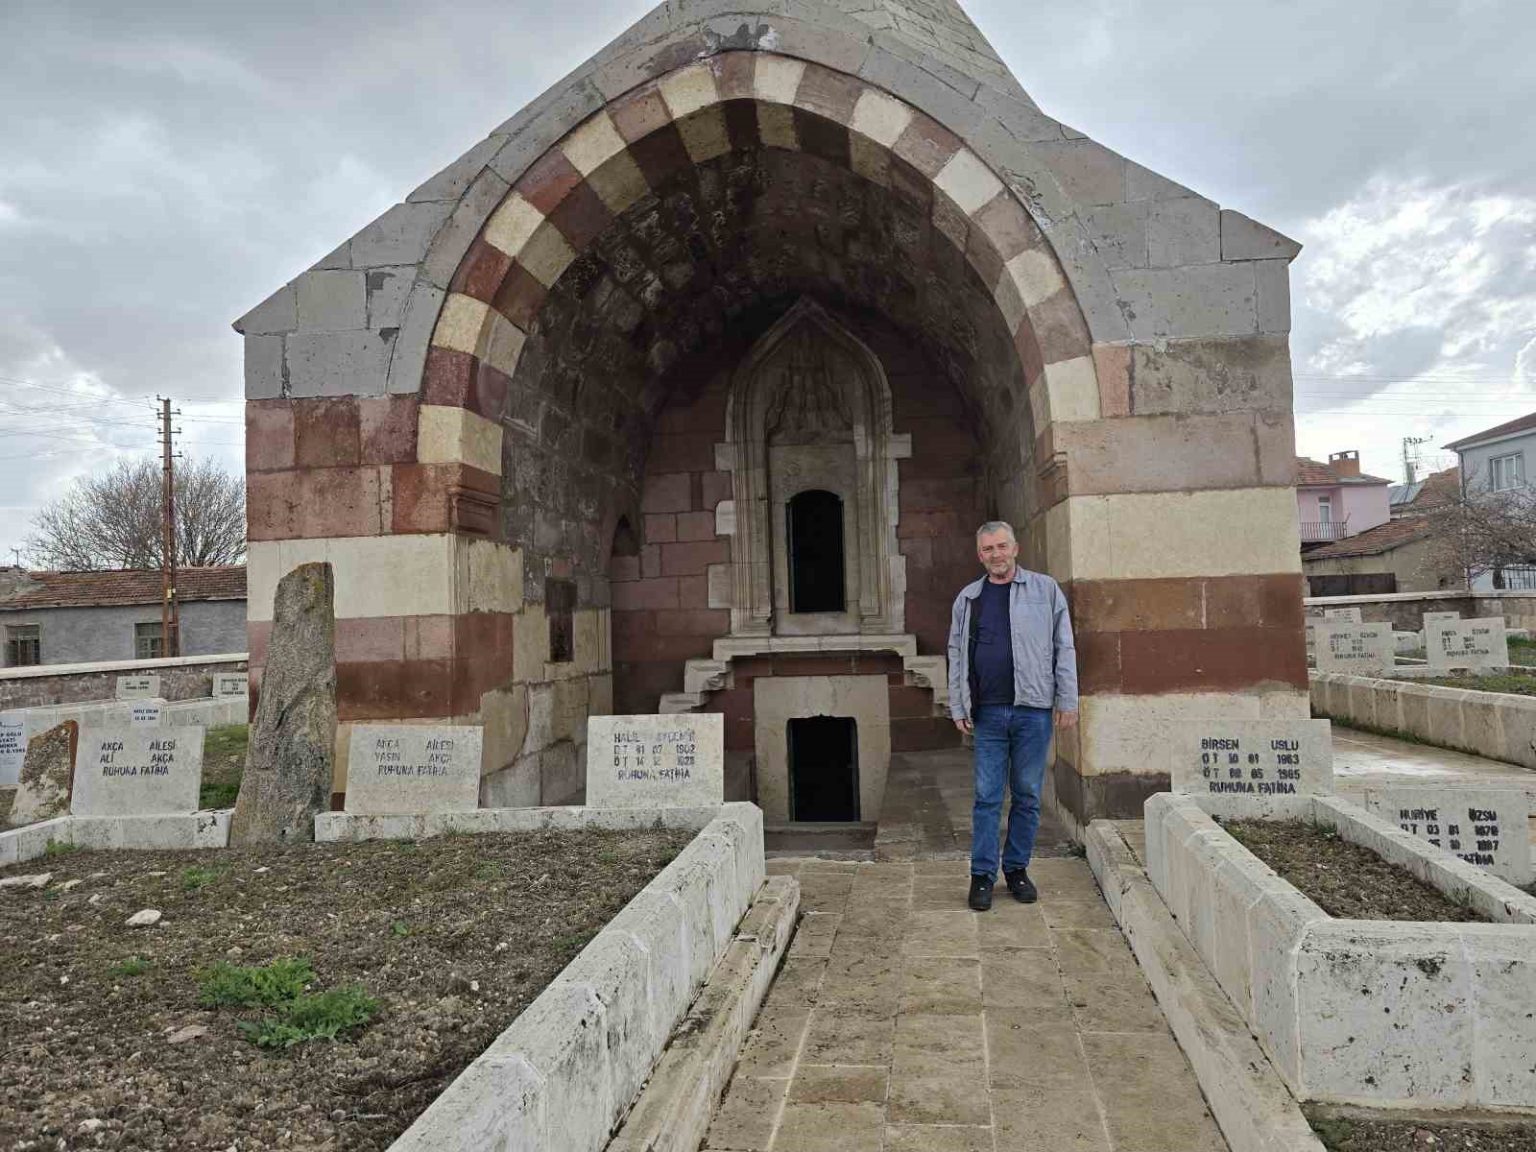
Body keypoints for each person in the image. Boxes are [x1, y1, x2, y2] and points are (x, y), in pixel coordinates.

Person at [947, 521, 1078, 912]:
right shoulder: (969, 598)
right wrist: (958, 704)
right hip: (987, 712)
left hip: (1033, 711)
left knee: (1027, 794)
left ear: (1015, 548)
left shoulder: (1045, 590)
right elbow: (956, 653)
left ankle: (1017, 869)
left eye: (1002, 546)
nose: (996, 554)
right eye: (988, 549)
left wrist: (1067, 699)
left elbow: (1064, 646)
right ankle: (982, 876)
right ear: (980, 555)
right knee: (987, 796)